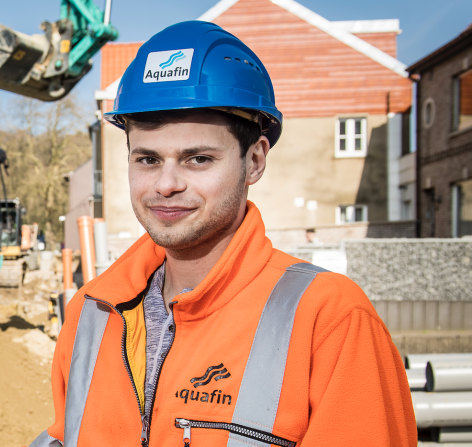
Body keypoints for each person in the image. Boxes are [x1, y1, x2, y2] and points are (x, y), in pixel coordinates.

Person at [32, 21, 416, 446]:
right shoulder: (92, 312)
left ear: (254, 161)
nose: (166, 184)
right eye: (147, 159)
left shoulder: (329, 320)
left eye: (197, 159)